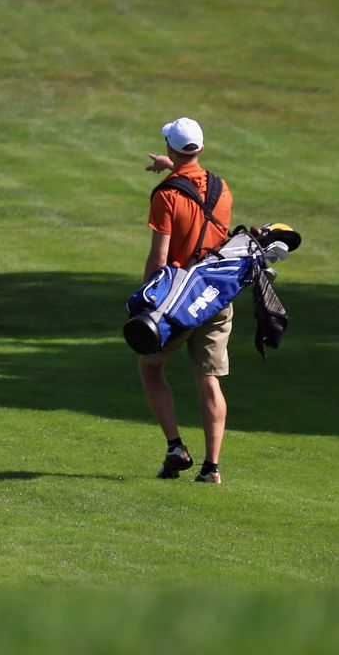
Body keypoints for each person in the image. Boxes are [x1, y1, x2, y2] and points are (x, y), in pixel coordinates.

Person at [139, 117, 235, 484]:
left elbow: (160, 259)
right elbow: (197, 193)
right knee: (209, 380)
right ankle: (212, 468)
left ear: (169, 149)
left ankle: (175, 446)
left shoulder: (166, 195)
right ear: (200, 149)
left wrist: (148, 302)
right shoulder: (222, 188)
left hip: (178, 297)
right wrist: (175, 168)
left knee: (150, 366)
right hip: (214, 293)